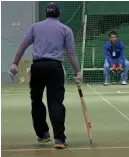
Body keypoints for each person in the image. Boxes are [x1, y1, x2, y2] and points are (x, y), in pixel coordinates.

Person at [8, 3, 82, 149]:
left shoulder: (35, 27)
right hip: (55, 68)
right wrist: (77, 72)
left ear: (46, 14)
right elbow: (71, 53)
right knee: (55, 102)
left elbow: (23, 45)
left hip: (37, 67)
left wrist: (15, 64)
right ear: (59, 14)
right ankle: (60, 139)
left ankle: (43, 134)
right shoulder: (65, 29)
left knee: (36, 100)